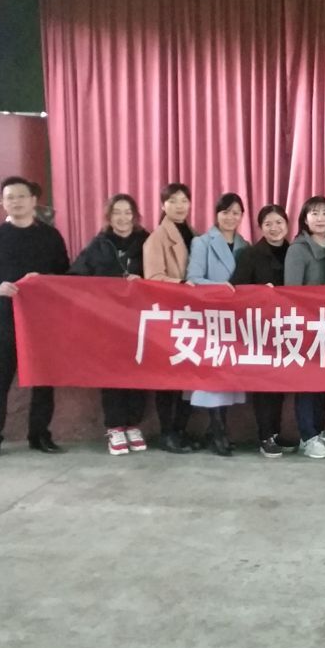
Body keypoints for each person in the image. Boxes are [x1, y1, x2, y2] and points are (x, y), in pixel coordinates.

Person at [0, 176, 70, 461]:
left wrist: (44, 280)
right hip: (5, 316)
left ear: (33, 200)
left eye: (21, 196)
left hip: (42, 317)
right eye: (9, 197)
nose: (15, 202)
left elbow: (65, 273)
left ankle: (40, 435)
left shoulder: (50, 236)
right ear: (4, 203)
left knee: (43, 378)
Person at [70, 193, 151, 456]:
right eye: (117, 212)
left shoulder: (147, 241)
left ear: (135, 216)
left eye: (128, 212)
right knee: (112, 372)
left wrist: (144, 281)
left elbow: (161, 275)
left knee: (139, 372)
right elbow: (75, 277)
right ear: (109, 216)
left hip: (140, 321)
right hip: (108, 321)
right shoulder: (99, 245)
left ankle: (133, 424)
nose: (123, 218)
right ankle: (115, 427)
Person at [185, 192, 249, 457]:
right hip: (210, 317)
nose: (230, 217)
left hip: (235, 320)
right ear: (216, 214)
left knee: (228, 377)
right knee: (212, 378)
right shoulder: (202, 242)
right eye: (225, 212)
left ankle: (218, 430)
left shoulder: (245, 245)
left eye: (236, 213)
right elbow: (193, 278)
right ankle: (218, 430)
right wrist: (221, 288)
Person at [283, 196, 325, 458]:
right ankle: (306, 436)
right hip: (307, 325)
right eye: (314, 213)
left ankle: (319, 430)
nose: (320, 218)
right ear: (305, 219)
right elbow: (292, 292)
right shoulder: (298, 249)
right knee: (307, 382)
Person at [231, 203, 292, 458]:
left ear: (287, 225)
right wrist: (258, 292)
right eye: (268, 224)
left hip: (289, 328)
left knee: (281, 384)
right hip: (260, 329)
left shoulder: (294, 251)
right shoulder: (250, 255)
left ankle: (275, 432)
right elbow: (237, 289)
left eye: (279, 222)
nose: (274, 228)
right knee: (265, 384)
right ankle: (264, 435)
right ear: (260, 228)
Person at [143, 182, 197, 452]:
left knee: (189, 379)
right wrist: (182, 285)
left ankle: (181, 430)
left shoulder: (193, 233)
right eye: (173, 201)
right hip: (169, 315)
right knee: (168, 378)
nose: (179, 206)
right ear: (163, 205)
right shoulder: (156, 238)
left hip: (191, 314)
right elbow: (153, 278)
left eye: (184, 200)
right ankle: (167, 433)